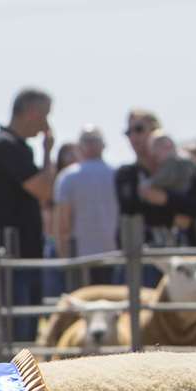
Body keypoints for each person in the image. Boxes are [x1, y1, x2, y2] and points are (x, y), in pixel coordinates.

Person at [0, 88, 58, 337]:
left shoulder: (13, 146)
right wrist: (47, 151)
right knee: (17, 333)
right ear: (32, 113)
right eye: (45, 115)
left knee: (25, 330)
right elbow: (43, 190)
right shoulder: (5, 146)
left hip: (21, 250)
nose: (46, 123)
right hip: (12, 254)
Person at [113, 109, 196, 271]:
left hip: (183, 261)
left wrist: (165, 198)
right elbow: (131, 210)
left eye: (139, 129)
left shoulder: (186, 167)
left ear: (156, 131)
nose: (133, 137)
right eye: (129, 132)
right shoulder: (127, 174)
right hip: (143, 262)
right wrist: (174, 211)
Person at [49, 125, 117, 294]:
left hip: (79, 256)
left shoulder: (67, 177)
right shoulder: (117, 175)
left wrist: (64, 257)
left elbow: (63, 223)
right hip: (113, 254)